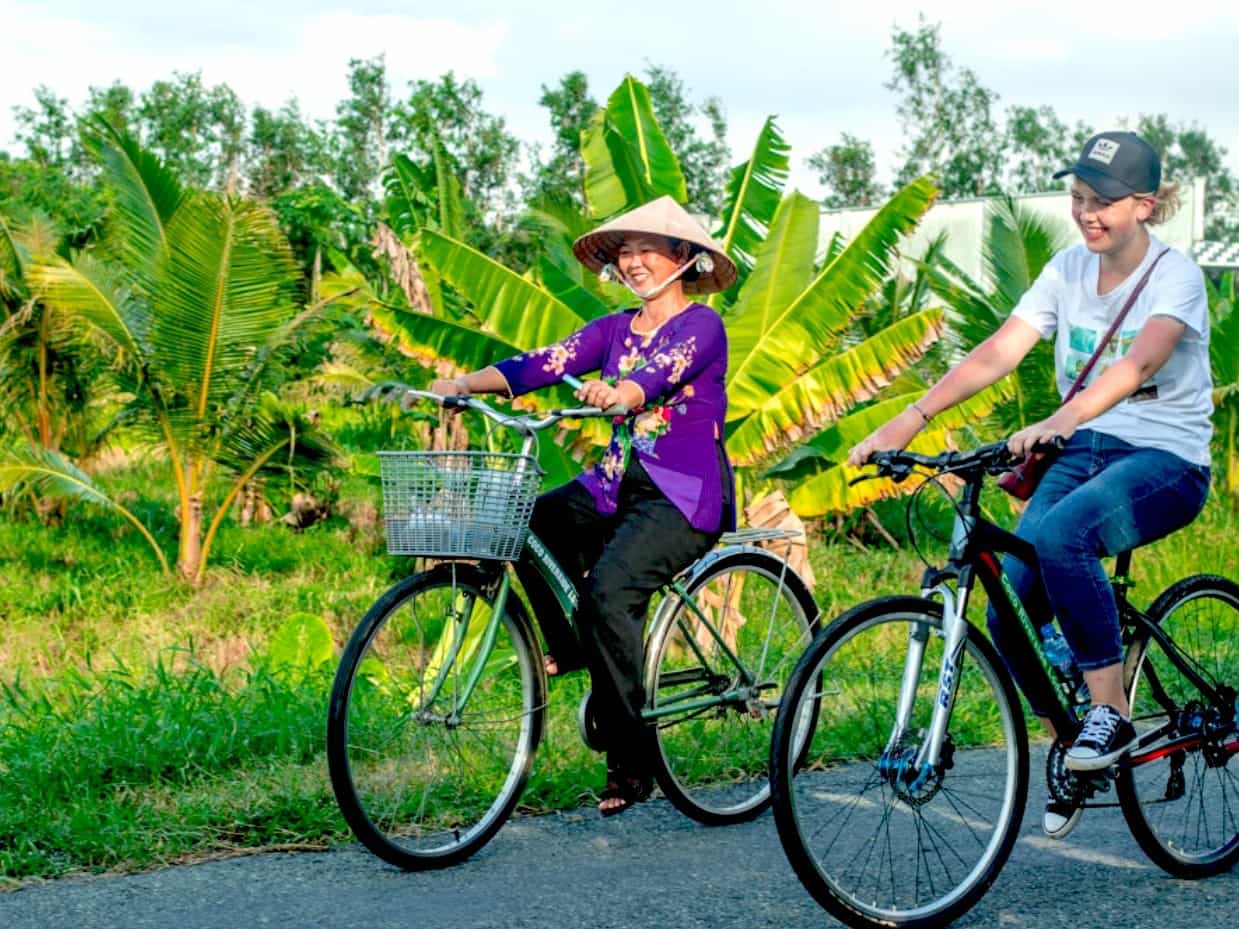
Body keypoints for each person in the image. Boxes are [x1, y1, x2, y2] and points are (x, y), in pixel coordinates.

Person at [846, 130, 1213, 839]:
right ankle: (1073, 745)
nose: (1085, 213)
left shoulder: (1175, 276)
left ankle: (1108, 712)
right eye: (1076, 198)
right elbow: (998, 350)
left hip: (1164, 459)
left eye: (1101, 202)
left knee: (1060, 533)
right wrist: (908, 419)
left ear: (1144, 204)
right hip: (1082, 450)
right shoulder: (1066, 270)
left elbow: (1136, 365)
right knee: (1004, 605)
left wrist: (1061, 416)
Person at [430, 196, 738, 817]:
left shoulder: (701, 325)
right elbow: (545, 363)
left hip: (682, 495)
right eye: (624, 252)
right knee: (532, 521)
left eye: (647, 249)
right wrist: (465, 384)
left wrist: (622, 392)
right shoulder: (614, 329)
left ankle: (631, 760)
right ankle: (573, 647)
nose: (633, 262)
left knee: (609, 594)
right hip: (614, 483)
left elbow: (656, 376)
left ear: (684, 258)